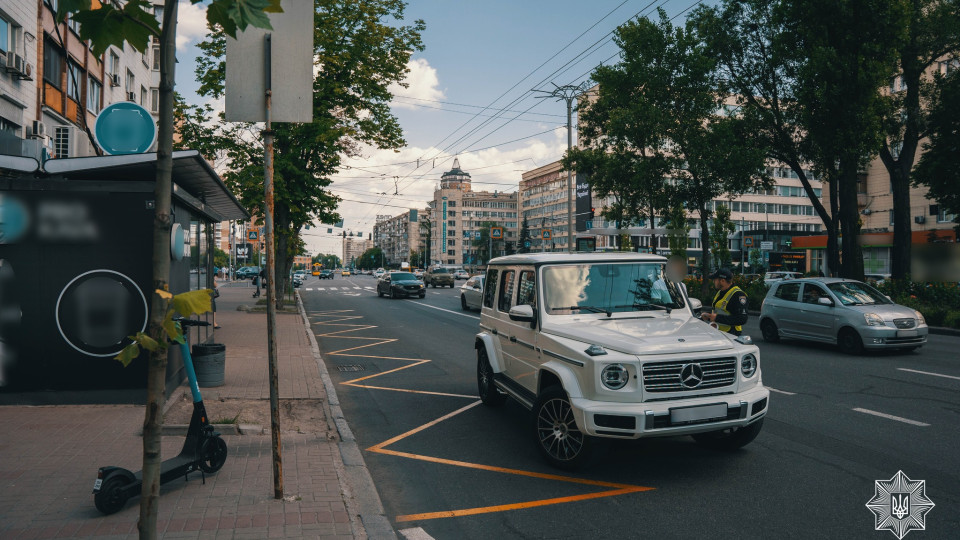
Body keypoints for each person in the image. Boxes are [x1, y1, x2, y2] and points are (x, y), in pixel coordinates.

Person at [701, 268, 748, 336]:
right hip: (719, 333)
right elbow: (720, 310)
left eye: (715, 279)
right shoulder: (721, 292)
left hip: (731, 334)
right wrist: (709, 316)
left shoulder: (738, 295)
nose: (713, 282)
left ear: (722, 281)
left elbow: (742, 319)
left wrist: (717, 318)